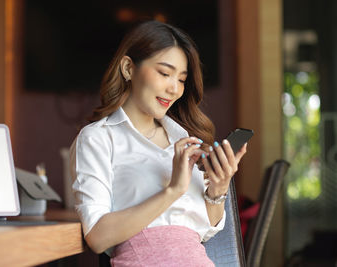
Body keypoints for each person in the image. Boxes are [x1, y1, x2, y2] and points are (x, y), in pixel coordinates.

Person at [70, 20, 247, 266]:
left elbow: (206, 230)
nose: (174, 89)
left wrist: (218, 190)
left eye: (182, 79)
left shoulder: (186, 141)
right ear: (128, 68)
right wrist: (172, 191)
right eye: (164, 73)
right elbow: (98, 238)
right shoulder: (98, 139)